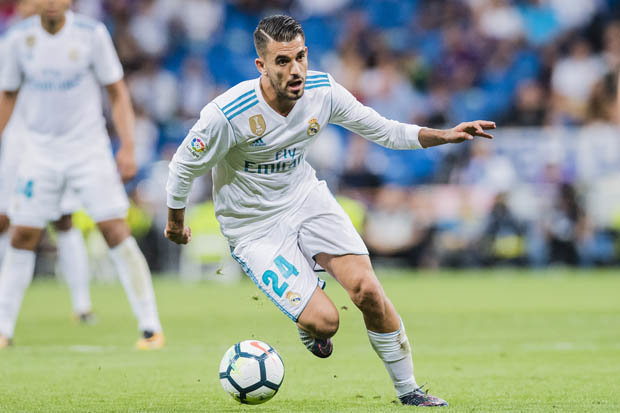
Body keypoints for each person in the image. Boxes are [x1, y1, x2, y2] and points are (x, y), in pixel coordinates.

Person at [165, 15, 495, 407]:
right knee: (326, 322)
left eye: (300, 57)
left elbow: (385, 130)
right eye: (282, 61)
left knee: (368, 290)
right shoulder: (228, 114)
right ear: (261, 65)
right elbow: (183, 166)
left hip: (306, 200)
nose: (295, 70)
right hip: (253, 228)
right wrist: (175, 222)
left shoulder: (323, 92)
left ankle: (409, 391)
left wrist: (445, 135)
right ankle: (310, 318)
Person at [0, 0, 163, 350]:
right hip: (38, 152)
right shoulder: (17, 39)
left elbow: (117, 92)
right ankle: (3, 329)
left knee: (114, 229)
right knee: (22, 234)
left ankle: (150, 326)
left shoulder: (92, 34)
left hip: (88, 150)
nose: (53, 3)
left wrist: (128, 146)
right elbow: (8, 96)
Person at [0, 0, 95, 325]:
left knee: (63, 219)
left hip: (53, 143)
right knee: (4, 219)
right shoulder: (14, 42)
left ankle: (82, 305)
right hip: (16, 140)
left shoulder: (72, 39)